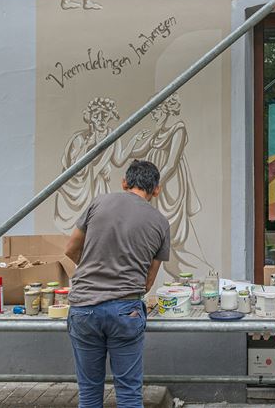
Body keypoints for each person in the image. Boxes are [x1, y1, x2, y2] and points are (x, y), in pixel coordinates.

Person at [66, 160, 170, 408]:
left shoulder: (98, 203)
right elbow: (148, 282)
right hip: (125, 310)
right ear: (156, 189)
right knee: (129, 393)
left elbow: (70, 250)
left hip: (84, 308)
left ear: (124, 182)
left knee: (89, 393)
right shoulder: (160, 222)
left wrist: (94, 266)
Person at [117, 94, 208, 278]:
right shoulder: (157, 134)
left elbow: (172, 162)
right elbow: (137, 152)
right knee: (162, 237)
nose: (153, 117)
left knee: (173, 236)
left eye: (156, 112)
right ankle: (176, 271)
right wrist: (130, 141)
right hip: (155, 185)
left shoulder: (178, 129)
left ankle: (202, 273)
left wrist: (155, 184)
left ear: (166, 110)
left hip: (170, 186)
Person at [53, 98, 122, 232]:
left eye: (105, 115)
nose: (101, 120)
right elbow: (73, 168)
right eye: (96, 116)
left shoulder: (112, 136)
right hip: (80, 187)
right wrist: (88, 145)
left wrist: (135, 142)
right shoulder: (79, 138)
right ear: (90, 118)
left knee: (100, 222)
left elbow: (119, 161)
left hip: (99, 185)